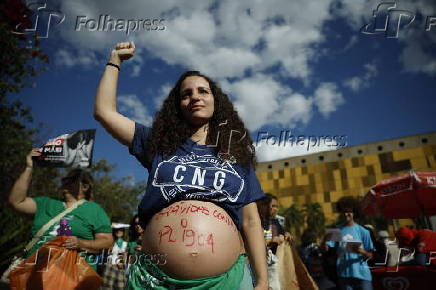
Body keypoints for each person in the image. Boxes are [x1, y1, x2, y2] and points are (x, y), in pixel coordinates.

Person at [94, 41, 268, 289]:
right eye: (186, 94)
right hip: (155, 280)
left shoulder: (237, 155)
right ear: (178, 106)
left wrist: (262, 280)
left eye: (202, 91)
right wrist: (115, 61)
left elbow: (251, 222)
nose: (195, 97)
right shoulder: (157, 143)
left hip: (226, 281)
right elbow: (104, 112)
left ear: (216, 101)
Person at [7, 148, 113, 271]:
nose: (65, 181)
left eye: (72, 179)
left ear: (85, 186)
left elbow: (107, 242)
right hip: (33, 273)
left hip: (70, 277)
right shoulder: (45, 203)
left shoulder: (94, 210)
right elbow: (16, 202)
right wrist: (29, 167)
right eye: (65, 178)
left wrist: (80, 243)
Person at [322, 196, 374, 290]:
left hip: (362, 275)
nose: (346, 214)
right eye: (344, 212)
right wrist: (325, 239)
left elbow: (371, 255)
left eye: (349, 212)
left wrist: (361, 252)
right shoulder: (336, 230)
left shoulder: (363, 231)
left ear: (354, 213)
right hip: (344, 275)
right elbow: (325, 249)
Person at [256, 194, 285, 290]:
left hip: (272, 262)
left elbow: (282, 235)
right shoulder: (255, 222)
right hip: (258, 264)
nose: (275, 209)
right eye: (272, 206)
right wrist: (269, 242)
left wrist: (284, 236)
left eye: (277, 206)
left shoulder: (275, 223)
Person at [102, 224, 129, 290]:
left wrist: (122, 262)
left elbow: (126, 256)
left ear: (123, 232)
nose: (118, 231)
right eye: (117, 230)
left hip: (121, 268)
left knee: (121, 287)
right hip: (110, 266)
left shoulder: (126, 244)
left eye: (121, 230)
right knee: (107, 287)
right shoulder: (110, 242)